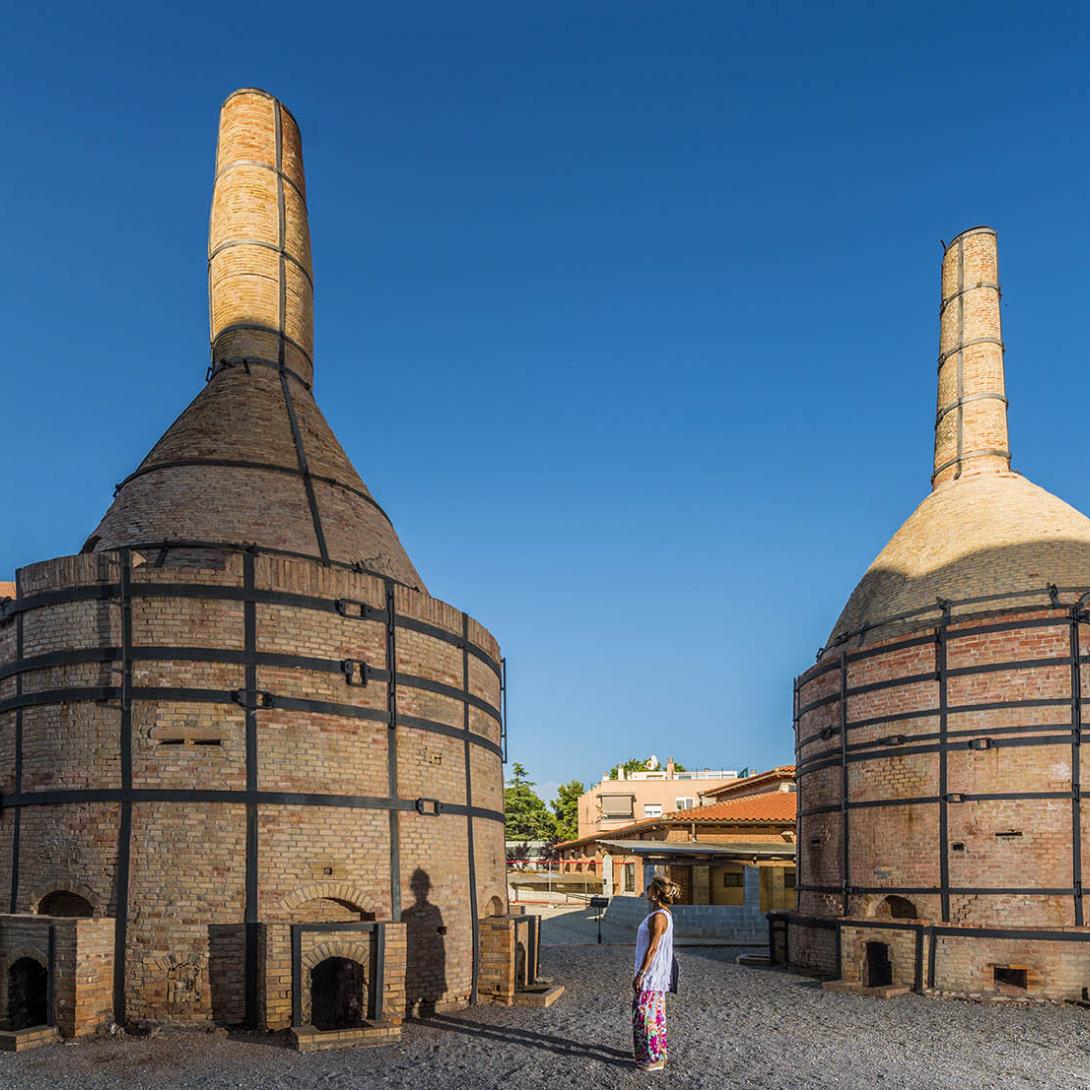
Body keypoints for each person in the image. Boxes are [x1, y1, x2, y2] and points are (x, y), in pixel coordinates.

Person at [631, 874, 679, 1071]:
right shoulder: (663, 913)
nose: (647, 890)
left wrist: (641, 973)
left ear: (656, 892)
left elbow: (653, 948)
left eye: (650, 887)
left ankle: (652, 1059)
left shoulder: (659, 917)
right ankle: (659, 1053)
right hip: (657, 974)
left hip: (651, 975)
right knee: (656, 1015)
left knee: (645, 1016)